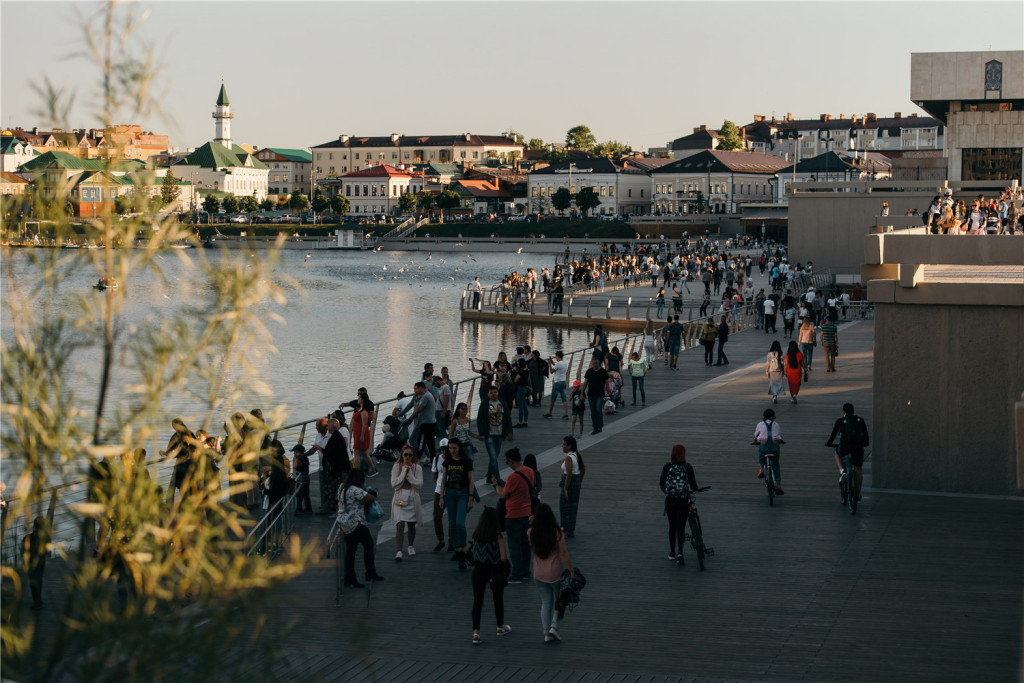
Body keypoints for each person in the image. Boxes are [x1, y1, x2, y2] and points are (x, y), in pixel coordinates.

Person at [529, 504, 574, 643]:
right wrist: (571, 570)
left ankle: (546, 633)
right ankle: (555, 626)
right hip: (555, 573)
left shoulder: (531, 532)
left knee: (546, 602)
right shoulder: (557, 532)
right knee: (561, 600)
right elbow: (564, 553)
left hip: (538, 573)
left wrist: (532, 523)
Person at [491, 448, 536, 583]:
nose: (508, 464)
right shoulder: (530, 471)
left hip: (513, 514)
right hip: (527, 512)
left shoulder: (513, 476)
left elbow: (504, 495)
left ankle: (517, 574)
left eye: (507, 462)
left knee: (514, 545)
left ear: (511, 461)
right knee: (525, 544)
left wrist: (496, 486)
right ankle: (526, 571)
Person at [470, 507, 511, 644]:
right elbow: (503, 558)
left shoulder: (476, 535)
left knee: (478, 601)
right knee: (498, 599)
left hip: (478, 571)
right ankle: (500, 627)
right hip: (494, 571)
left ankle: (476, 632)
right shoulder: (498, 536)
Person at [338, 469, 384, 588]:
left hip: (344, 523)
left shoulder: (342, 488)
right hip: (356, 523)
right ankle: (370, 572)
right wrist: (371, 493)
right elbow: (369, 498)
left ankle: (349, 578)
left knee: (351, 551)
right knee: (369, 545)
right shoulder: (355, 489)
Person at [439, 439, 475, 569]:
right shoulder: (447, 461)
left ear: (459, 448)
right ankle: (458, 549)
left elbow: (471, 480)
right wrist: (441, 497)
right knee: (452, 524)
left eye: (454, 448)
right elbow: (443, 480)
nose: (452, 451)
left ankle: (462, 546)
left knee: (460, 522)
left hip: (463, 494)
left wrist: (470, 498)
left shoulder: (466, 461)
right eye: (450, 448)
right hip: (450, 494)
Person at [659, 444, 698, 564]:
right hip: (683, 501)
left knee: (672, 526)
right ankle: (680, 552)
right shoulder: (688, 467)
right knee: (680, 527)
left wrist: (668, 493)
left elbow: (661, 483)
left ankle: (672, 552)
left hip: (670, 501)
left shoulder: (667, 466)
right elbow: (693, 485)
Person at [825, 403, 870, 502]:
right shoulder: (860, 420)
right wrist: (864, 444)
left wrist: (828, 443)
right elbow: (866, 438)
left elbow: (833, 436)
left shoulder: (840, 421)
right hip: (858, 447)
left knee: (837, 452)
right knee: (858, 469)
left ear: (844, 412)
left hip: (845, 447)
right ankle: (857, 493)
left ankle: (842, 471)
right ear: (853, 411)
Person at [391, 445, 423, 561]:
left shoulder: (417, 468)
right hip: (399, 497)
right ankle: (399, 550)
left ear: (412, 456)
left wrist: (410, 477)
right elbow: (394, 483)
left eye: (410, 455)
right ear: (402, 455)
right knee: (400, 524)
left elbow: (419, 484)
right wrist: (404, 473)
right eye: (405, 455)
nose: (408, 457)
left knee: (411, 524)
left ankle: (410, 545)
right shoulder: (396, 467)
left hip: (412, 497)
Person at [477, 386, 513, 485]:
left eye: (495, 392)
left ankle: (489, 477)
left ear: (498, 392)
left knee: (494, 457)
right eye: (491, 393)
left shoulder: (502, 402)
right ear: (488, 394)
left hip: (500, 434)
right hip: (489, 435)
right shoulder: (485, 403)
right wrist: (481, 433)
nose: (493, 394)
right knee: (493, 457)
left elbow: (507, 418)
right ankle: (497, 478)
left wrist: (509, 431)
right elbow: (479, 419)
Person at [558, 436, 586, 538]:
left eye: (564, 444)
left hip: (569, 482)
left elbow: (569, 473)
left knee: (564, 508)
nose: (562, 446)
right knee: (573, 508)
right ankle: (570, 530)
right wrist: (580, 481)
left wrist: (565, 488)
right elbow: (583, 469)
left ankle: (564, 530)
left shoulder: (568, 457)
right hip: (576, 483)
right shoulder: (577, 455)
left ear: (569, 446)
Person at [754, 408, 784, 495]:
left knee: (760, 450)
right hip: (774, 448)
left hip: (764, 447)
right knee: (776, 465)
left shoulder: (760, 424)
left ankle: (761, 469)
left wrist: (755, 441)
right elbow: (777, 435)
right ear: (771, 416)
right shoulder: (776, 424)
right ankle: (778, 485)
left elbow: (756, 435)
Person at [581, 358, 609, 435]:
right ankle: (595, 428)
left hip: (600, 394)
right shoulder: (589, 371)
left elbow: (606, 382)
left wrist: (608, 391)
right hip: (591, 394)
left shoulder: (603, 371)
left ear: (599, 363)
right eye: (593, 364)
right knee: (593, 412)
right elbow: (585, 382)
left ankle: (600, 425)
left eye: (596, 363)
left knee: (598, 410)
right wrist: (581, 392)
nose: (595, 365)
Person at [351, 394, 377, 477]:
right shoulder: (360, 409)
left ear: (362, 400)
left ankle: (357, 472)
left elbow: (364, 425)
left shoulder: (364, 412)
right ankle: (373, 469)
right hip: (357, 433)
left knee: (356, 452)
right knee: (364, 453)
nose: (357, 399)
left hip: (361, 434)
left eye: (359, 398)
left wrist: (362, 436)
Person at [430, 441, 449, 552]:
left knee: (452, 517)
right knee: (437, 516)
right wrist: (439, 484)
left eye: (445, 449)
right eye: (442, 449)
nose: (444, 451)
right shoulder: (437, 459)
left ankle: (452, 542)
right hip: (439, 490)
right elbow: (434, 475)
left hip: (451, 490)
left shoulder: (454, 459)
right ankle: (441, 540)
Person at [543, 351, 569, 420]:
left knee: (552, 399)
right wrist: (552, 362)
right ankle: (566, 414)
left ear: (557, 356)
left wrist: (549, 364)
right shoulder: (565, 363)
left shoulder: (558, 364)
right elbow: (557, 368)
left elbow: (551, 371)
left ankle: (550, 413)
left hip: (557, 383)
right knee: (564, 399)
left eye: (556, 356)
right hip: (563, 382)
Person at [291, 444, 312, 515]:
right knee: (306, 494)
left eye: (295, 452)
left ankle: (299, 508)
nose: (294, 453)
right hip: (306, 479)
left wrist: (295, 459)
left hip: (301, 480)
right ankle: (308, 508)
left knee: (299, 495)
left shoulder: (300, 459)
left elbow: (295, 466)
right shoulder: (305, 457)